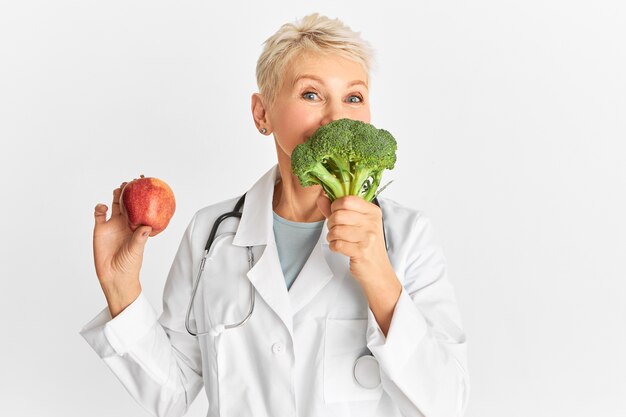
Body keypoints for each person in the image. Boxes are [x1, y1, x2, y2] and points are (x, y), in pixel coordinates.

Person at [81, 13, 469, 417]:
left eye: (353, 97)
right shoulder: (210, 236)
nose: (336, 117)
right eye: (311, 95)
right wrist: (121, 287)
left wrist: (379, 275)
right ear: (261, 113)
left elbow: (447, 404)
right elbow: (174, 392)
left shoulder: (406, 237)